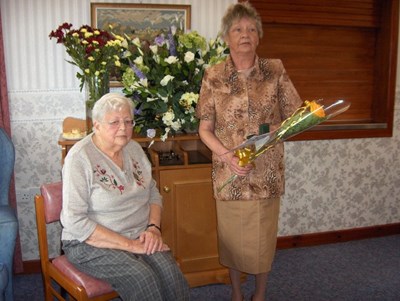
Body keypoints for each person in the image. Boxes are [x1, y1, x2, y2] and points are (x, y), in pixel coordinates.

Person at [196, 2, 303, 301]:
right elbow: (204, 129)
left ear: (259, 36)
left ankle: (259, 293)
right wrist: (228, 156)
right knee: (232, 238)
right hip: (230, 172)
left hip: (264, 171)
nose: (245, 34)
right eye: (238, 29)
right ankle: (236, 291)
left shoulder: (275, 70)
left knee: (262, 239)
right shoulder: (213, 75)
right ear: (226, 37)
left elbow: (296, 116)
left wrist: (275, 128)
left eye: (251, 29)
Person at [60, 93, 190, 300]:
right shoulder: (80, 158)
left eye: (128, 121)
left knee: (171, 274)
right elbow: (74, 220)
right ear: (97, 125)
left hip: (139, 234)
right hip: (89, 243)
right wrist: (130, 245)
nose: (123, 128)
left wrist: (153, 229)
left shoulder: (134, 149)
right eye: (114, 122)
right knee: (142, 278)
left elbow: (152, 193)